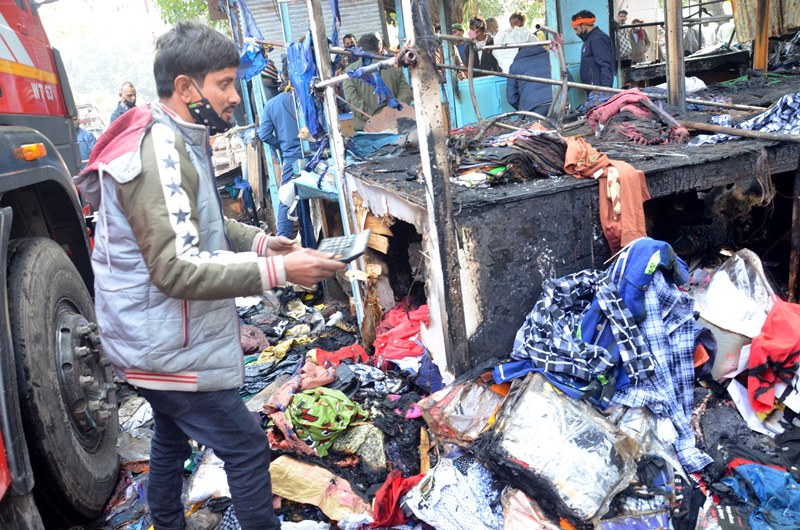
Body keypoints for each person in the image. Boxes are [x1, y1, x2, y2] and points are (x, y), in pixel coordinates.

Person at [74, 21, 345, 530]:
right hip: (160, 345)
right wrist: (280, 270)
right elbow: (176, 268)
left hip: (149, 337)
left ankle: (168, 523)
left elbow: (207, 225)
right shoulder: (159, 149)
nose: (235, 98)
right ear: (185, 87)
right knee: (244, 444)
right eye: (223, 83)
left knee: (170, 437)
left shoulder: (175, 135)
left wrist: (265, 243)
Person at [258, 61, 316, 248]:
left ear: (282, 77)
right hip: (317, 156)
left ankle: (284, 242)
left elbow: (264, 134)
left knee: (286, 200)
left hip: (292, 160)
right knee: (311, 204)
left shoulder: (272, 105)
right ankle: (311, 244)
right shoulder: (311, 97)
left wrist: (282, 146)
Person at [342, 33, 413, 131]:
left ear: (359, 49)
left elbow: (352, 101)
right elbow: (406, 93)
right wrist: (393, 114)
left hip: (367, 132)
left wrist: (375, 119)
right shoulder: (393, 66)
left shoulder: (350, 71)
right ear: (379, 48)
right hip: (395, 127)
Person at [506, 41, 553, 116]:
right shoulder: (551, 57)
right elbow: (569, 79)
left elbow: (511, 98)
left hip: (532, 108)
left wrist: (524, 107)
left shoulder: (515, 66)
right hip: (558, 102)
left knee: (534, 127)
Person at [572, 10, 614, 88]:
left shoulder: (598, 38)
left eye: (576, 29)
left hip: (599, 91)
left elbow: (605, 65)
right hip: (593, 89)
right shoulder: (589, 40)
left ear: (583, 25)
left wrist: (606, 90)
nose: (576, 33)